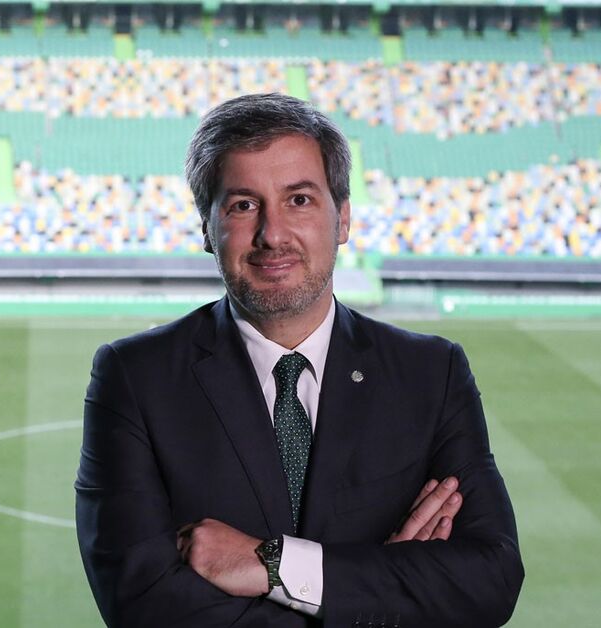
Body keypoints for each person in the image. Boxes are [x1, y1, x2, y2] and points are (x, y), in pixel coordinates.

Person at [75, 93, 523, 627]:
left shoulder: (431, 373)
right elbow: (144, 604)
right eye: (243, 205)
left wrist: (278, 566)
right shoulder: (134, 378)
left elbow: (489, 579)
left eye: (300, 200)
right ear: (206, 229)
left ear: (343, 219)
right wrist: (381, 591)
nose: (272, 234)